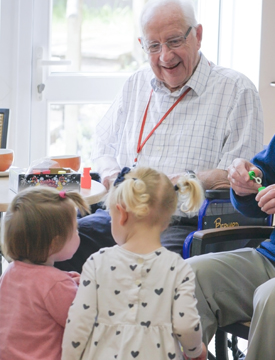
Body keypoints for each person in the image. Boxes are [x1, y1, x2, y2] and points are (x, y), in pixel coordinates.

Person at [56, 0, 264, 273]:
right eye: (154, 46)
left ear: (198, 35)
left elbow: (237, 181)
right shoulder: (137, 83)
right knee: (55, 248)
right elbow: (103, 146)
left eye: (175, 40)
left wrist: (187, 180)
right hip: (118, 215)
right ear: (143, 45)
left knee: (143, 276)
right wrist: (110, 176)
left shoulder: (236, 90)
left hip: (178, 223)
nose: (165, 56)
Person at [61, 166, 207, 360]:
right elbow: (186, 325)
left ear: (121, 214)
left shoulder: (97, 263)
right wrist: (196, 351)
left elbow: (78, 324)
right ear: (166, 221)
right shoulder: (178, 267)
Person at [187, 135, 275, 360]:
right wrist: (245, 186)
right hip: (271, 260)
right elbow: (260, 181)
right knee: (187, 276)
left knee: (271, 298)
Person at [0, 186, 90, 360]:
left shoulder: (10, 272)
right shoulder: (56, 285)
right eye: (75, 230)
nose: (78, 234)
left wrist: (68, 282)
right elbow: (82, 324)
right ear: (55, 243)